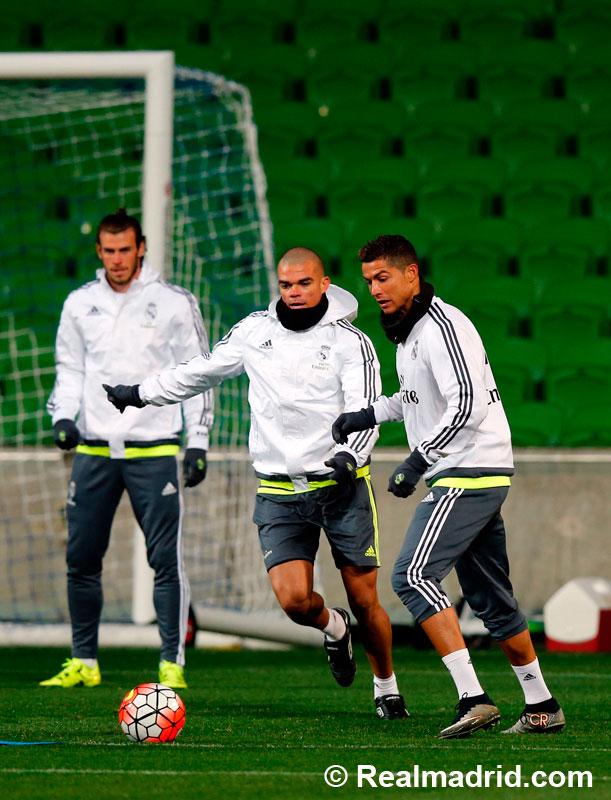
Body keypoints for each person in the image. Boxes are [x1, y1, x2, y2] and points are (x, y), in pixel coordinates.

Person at [104, 247, 408, 719]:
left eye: (303, 283)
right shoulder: (254, 331)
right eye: (286, 285)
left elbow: (363, 408)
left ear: (324, 284)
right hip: (278, 489)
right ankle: (335, 628)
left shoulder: (351, 343)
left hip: (341, 485)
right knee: (294, 601)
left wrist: (350, 456)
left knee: (365, 599)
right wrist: (140, 393)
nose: (294, 292)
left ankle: (386, 687)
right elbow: (199, 371)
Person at [332, 234, 564, 738]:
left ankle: (473, 698)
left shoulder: (442, 326)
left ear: (411, 274)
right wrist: (367, 414)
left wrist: (418, 460)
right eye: (369, 280)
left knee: (412, 576)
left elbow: (468, 405)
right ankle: (542, 705)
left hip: (467, 469)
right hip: (472, 470)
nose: (374, 289)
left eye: (383, 277)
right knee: (490, 598)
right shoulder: (411, 332)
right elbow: (417, 398)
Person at [41, 209, 213, 690]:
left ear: (141, 249)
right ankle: (84, 662)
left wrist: (197, 440)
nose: (117, 259)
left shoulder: (174, 302)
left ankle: (171, 664)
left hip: (153, 451)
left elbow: (197, 374)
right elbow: (70, 368)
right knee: (81, 559)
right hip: (94, 451)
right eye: (109, 251)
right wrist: (62, 416)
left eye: (125, 250)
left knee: (165, 562)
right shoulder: (80, 303)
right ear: (99, 252)